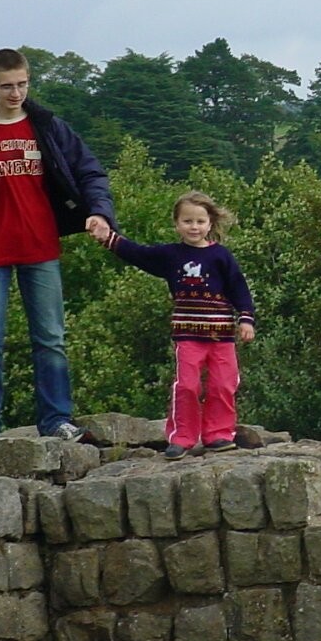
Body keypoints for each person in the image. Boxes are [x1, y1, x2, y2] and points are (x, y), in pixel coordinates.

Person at [0, 47, 115, 451]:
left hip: (39, 245)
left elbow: (90, 170)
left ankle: (56, 420)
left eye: (23, 85)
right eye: (7, 86)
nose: (16, 94)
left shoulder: (47, 125)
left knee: (51, 339)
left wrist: (99, 212)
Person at [95, 191, 255, 459]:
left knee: (223, 385)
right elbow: (138, 253)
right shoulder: (170, 255)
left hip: (222, 335)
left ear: (210, 223)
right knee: (187, 386)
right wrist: (107, 237)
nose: (194, 227)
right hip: (187, 334)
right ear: (177, 224)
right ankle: (182, 437)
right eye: (187, 221)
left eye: (200, 221)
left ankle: (218, 434)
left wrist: (246, 318)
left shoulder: (221, 256)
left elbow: (239, 288)